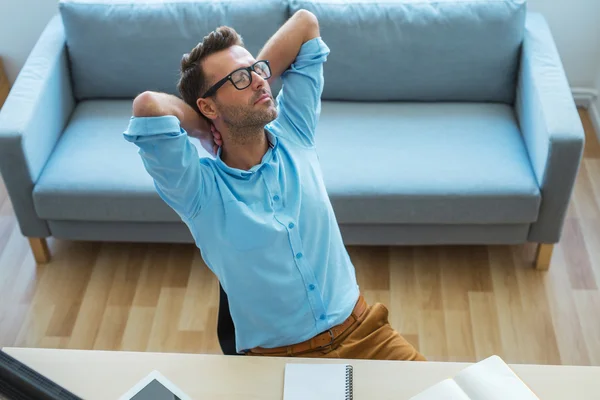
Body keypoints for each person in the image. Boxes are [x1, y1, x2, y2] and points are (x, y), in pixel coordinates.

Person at [123, 9, 425, 361]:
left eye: (257, 70)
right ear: (207, 105)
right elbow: (147, 105)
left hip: (367, 333)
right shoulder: (198, 191)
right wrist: (202, 127)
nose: (259, 81)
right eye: (239, 78)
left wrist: (245, 79)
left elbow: (305, 22)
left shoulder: (295, 130)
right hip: (280, 360)